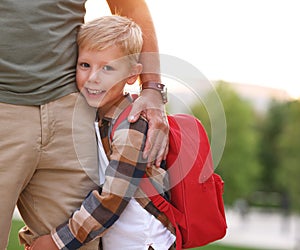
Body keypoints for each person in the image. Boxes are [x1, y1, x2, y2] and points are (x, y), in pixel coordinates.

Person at [0, 1, 168, 249]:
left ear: (132, 73)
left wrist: (152, 88)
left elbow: (111, 200)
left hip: (71, 111)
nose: (93, 78)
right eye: (86, 65)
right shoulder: (106, 116)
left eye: (107, 68)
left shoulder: (128, 124)